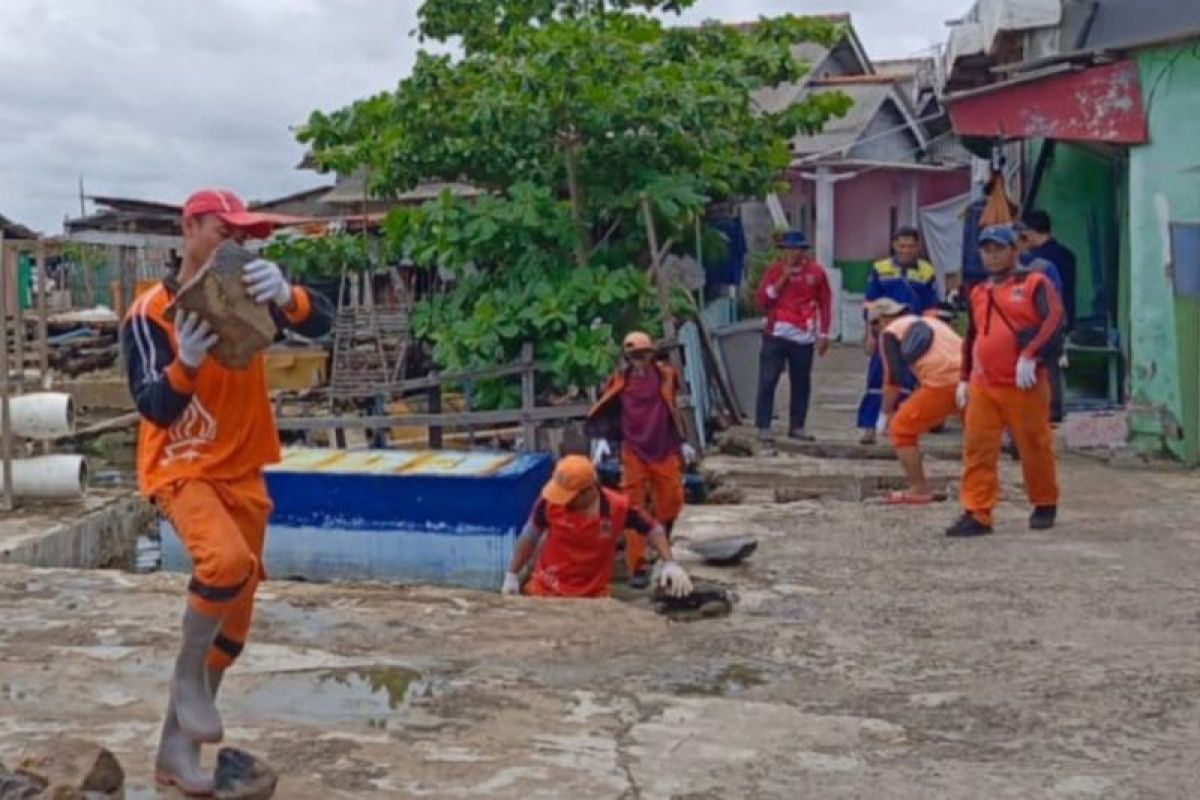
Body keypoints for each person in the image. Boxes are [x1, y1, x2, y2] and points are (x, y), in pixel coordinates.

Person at [122, 188, 333, 794]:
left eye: (245, 237)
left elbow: (322, 319)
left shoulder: (245, 296)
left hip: (243, 467)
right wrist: (185, 363)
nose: (236, 245)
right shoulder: (150, 312)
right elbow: (155, 406)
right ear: (190, 228)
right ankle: (187, 679)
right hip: (182, 465)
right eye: (225, 232)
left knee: (234, 628)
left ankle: (174, 751)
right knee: (224, 561)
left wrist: (288, 296)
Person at [946, 225, 1064, 538]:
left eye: (999, 248)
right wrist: (964, 377)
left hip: (1024, 384)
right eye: (987, 249)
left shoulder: (1035, 283)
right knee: (977, 449)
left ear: (1014, 250)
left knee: (1033, 446)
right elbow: (972, 337)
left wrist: (1031, 354)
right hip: (984, 385)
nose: (992, 255)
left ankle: (1044, 501)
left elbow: (1054, 320)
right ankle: (978, 512)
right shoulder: (979, 292)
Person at [501, 455, 694, 599]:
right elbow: (529, 535)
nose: (562, 502)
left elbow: (653, 529)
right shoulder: (549, 503)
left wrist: (670, 563)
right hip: (546, 588)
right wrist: (511, 574)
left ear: (587, 492)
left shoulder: (617, 507)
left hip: (592, 595)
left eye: (568, 496)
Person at [586, 332, 694, 588]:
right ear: (628, 357)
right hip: (633, 449)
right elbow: (608, 409)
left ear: (651, 354)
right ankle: (638, 565)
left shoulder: (667, 376)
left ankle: (662, 539)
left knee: (673, 498)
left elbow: (673, 408)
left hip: (663, 446)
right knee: (632, 508)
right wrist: (602, 439)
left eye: (644, 354)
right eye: (634, 355)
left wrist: (683, 441)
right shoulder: (619, 381)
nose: (640, 360)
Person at [869, 298, 964, 505]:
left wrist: (885, 414)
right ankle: (981, 485)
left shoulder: (890, 332)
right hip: (971, 379)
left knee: (901, 429)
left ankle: (918, 488)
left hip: (942, 381)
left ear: (880, 321)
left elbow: (893, 376)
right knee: (978, 434)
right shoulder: (933, 322)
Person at [858, 227, 939, 444]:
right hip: (885, 334)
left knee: (907, 382)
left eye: (910, 246)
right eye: (901, 246)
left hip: (913, 337)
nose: (906, 250)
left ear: (917, 247)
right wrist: (869, 335)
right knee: (877, 381)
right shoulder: (880, 269)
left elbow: (931, 308)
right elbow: (869, 304)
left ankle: (900, 429)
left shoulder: (927, 272)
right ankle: (869, 427)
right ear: (894, 245)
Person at [753, 230, 832, 443]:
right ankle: (763, 425)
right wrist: (783, 278)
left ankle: (797, 426)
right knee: (768, 380)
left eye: (796, 249)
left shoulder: (816, 273)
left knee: (801, 383)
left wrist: (824, 333)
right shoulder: (774, 271)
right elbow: (762, 301)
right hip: (776, 334)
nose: (792, 253)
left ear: (803, 251)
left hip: (803, 336)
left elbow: (825, 302)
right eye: (788, 249)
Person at [1017, 222, 1069, 424]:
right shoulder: (1003, 271)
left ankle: (1052, 411)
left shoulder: (1043, 267)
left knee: (1049, 367)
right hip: (1022, 328)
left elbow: (1055, 298)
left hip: (1044, 324)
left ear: (1024, 242)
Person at [1019, 210, 1077, 328]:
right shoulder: (1068, 255)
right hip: (1064, 319)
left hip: (1043, 322)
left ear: (1029, 232)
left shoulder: (1034, 262)